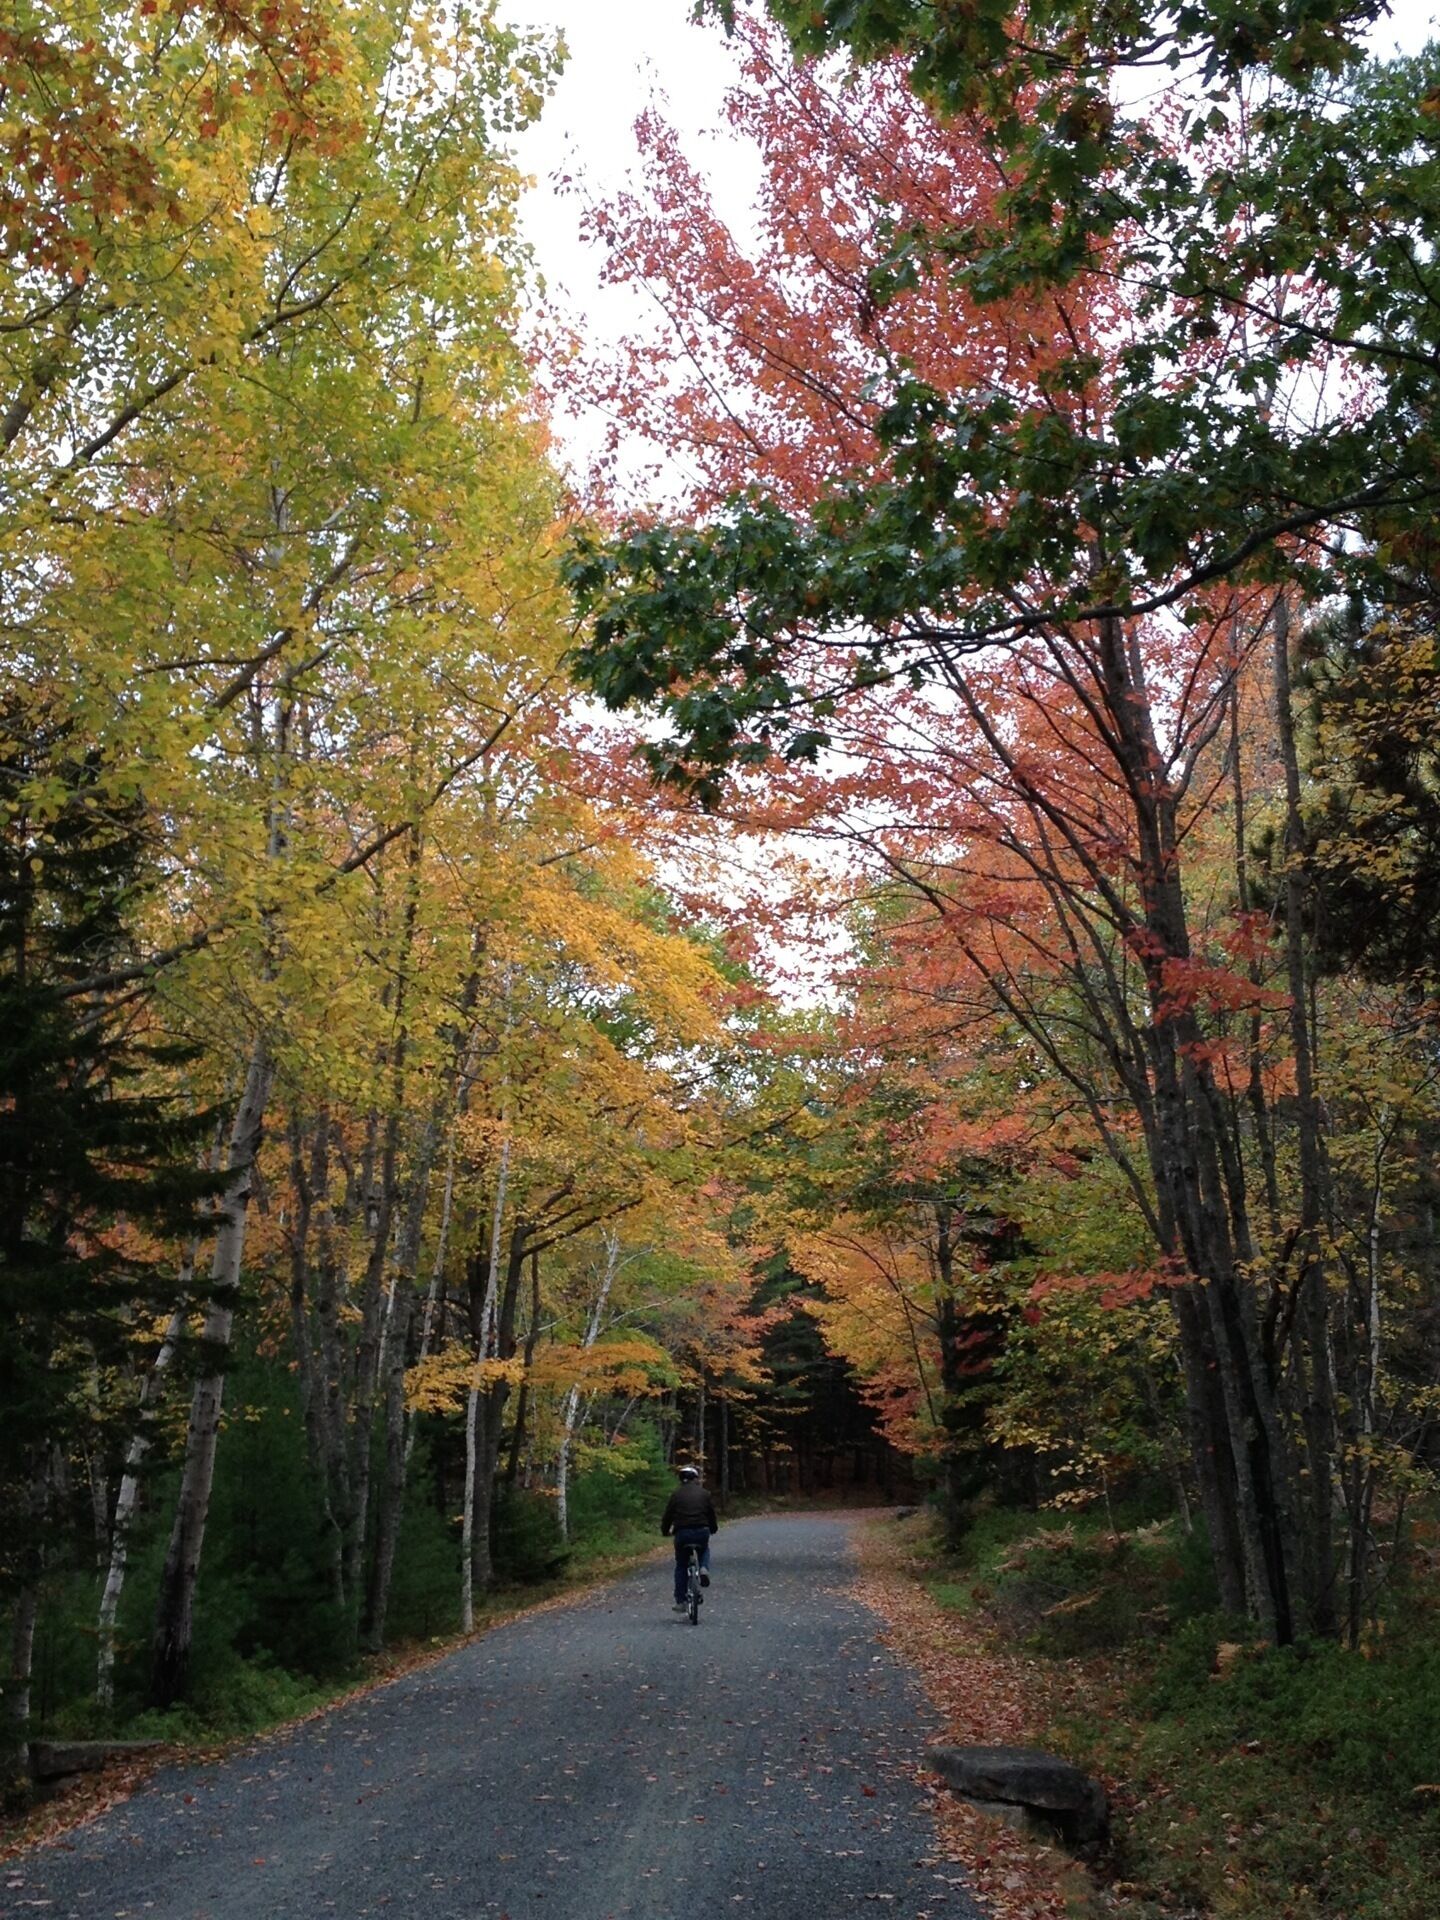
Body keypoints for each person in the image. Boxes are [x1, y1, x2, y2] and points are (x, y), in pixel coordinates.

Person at [660, 1463, 718, 1612]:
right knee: (704, 1549)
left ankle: (681, 1601)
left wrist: (665, 1531)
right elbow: (711, 1514)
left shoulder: (676, 1495)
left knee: (681, 1565)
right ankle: (704, 1568)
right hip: (701, 1530)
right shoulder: (704, 1494)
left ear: (681, 1479)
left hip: (682, 1533)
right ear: (695, 1479)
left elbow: (668, 1516)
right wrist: (713, 1528)